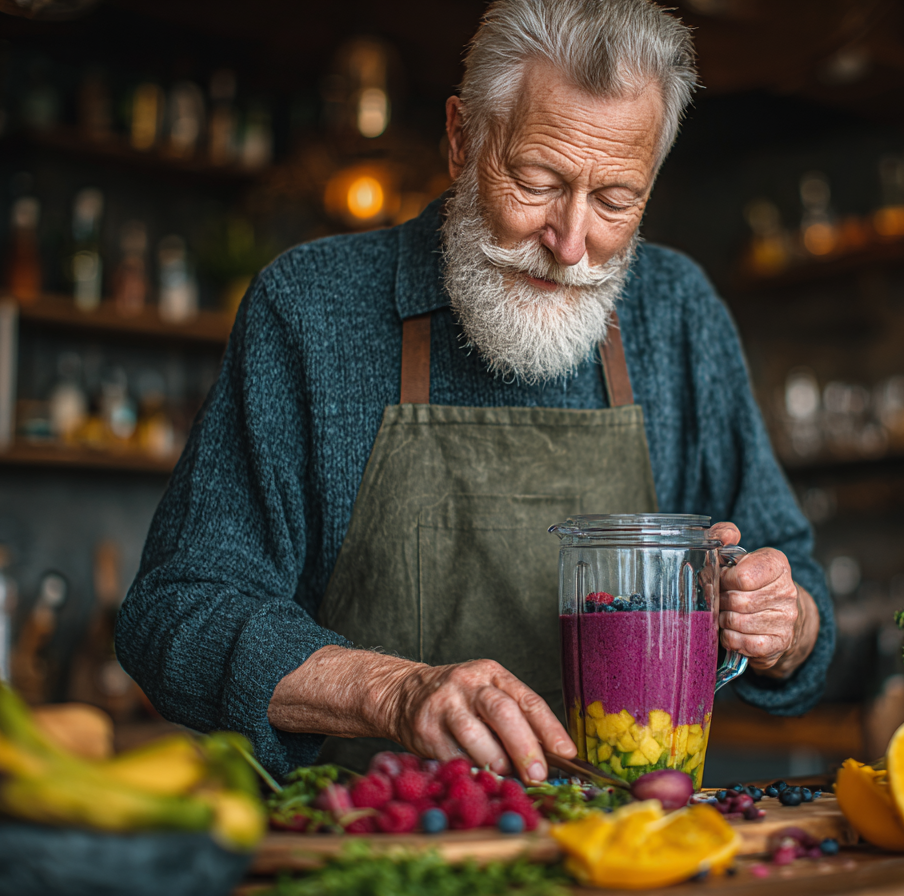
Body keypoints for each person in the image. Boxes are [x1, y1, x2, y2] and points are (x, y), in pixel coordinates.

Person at [117, 0, 834, 782]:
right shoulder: (309, 309)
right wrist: (393, 694)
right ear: (462, 138)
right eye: (536, 181)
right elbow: (176, 611)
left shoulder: (678, 312)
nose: (569, 244)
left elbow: (799, 604)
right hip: (374, 848)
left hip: (628, 853)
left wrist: (782, 620)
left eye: (616, 200)